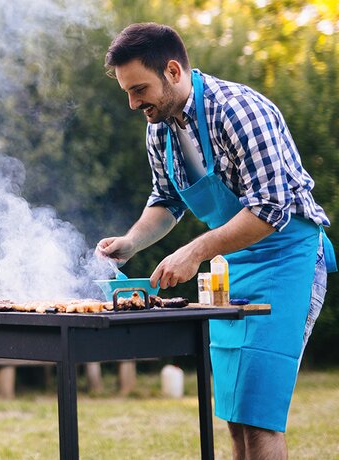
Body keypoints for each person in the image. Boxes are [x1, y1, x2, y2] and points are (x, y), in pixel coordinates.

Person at [98, 23, 336, 459]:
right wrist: (131, 243)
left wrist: (195, 250)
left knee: (259, 416)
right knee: (234, 415)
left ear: (172, 70)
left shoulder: (240, 111)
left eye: (139, 89)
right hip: (232, 269)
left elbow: (269, 210)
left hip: (288, 260)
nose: (133, 103)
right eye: (127, 92)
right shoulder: (160, 129)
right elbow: (166, 200)